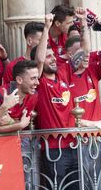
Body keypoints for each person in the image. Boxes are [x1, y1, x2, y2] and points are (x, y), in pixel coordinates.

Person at [33, 13, 78, 189]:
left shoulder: (63, 75)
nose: (52, 59)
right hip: (53, 147)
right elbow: (40, 59)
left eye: (54, 56)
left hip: (73, 144)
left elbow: (83, 52)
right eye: (49, 56)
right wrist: (46, 27)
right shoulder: (40, 82)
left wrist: (84, 24)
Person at [68, 7, 101, 130]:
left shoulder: (92, 69)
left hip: (98, 134)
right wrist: (90, 124)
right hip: (77, 136)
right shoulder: (63, 75)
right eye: (82, 53)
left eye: (88, 53)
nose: (87, 57)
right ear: (70, 55)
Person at [0, 60, 38, 132]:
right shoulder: (0, 95)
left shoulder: (33, 95)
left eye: (37, 78)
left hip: (18, 138)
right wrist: (19, 124)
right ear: (19, 80)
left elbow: (26, 123)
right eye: (33, 78)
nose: (37, 82)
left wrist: (11, 121)